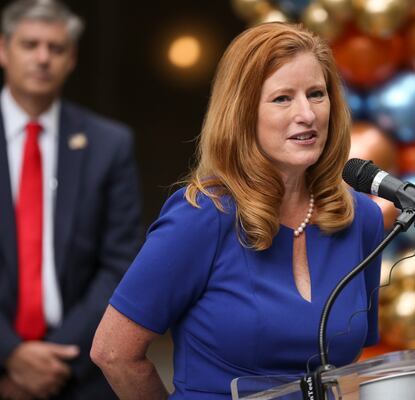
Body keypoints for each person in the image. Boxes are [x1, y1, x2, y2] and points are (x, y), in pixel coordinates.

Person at [91, 22, 383, 399]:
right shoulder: (201, 216)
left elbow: (352, 365)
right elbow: (114, 353)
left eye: (316, 94)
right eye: (282, 98)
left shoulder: (361, 218)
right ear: (243, 112)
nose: (307, 114)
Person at [0, 0, 142, 399]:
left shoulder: (109, 144)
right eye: (30, 45)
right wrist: (11, 354)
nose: (43, 58)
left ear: (72, 58)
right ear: (3, 49)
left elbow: (120, 263)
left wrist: (51, 363)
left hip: (78, 372)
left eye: (56, 48)